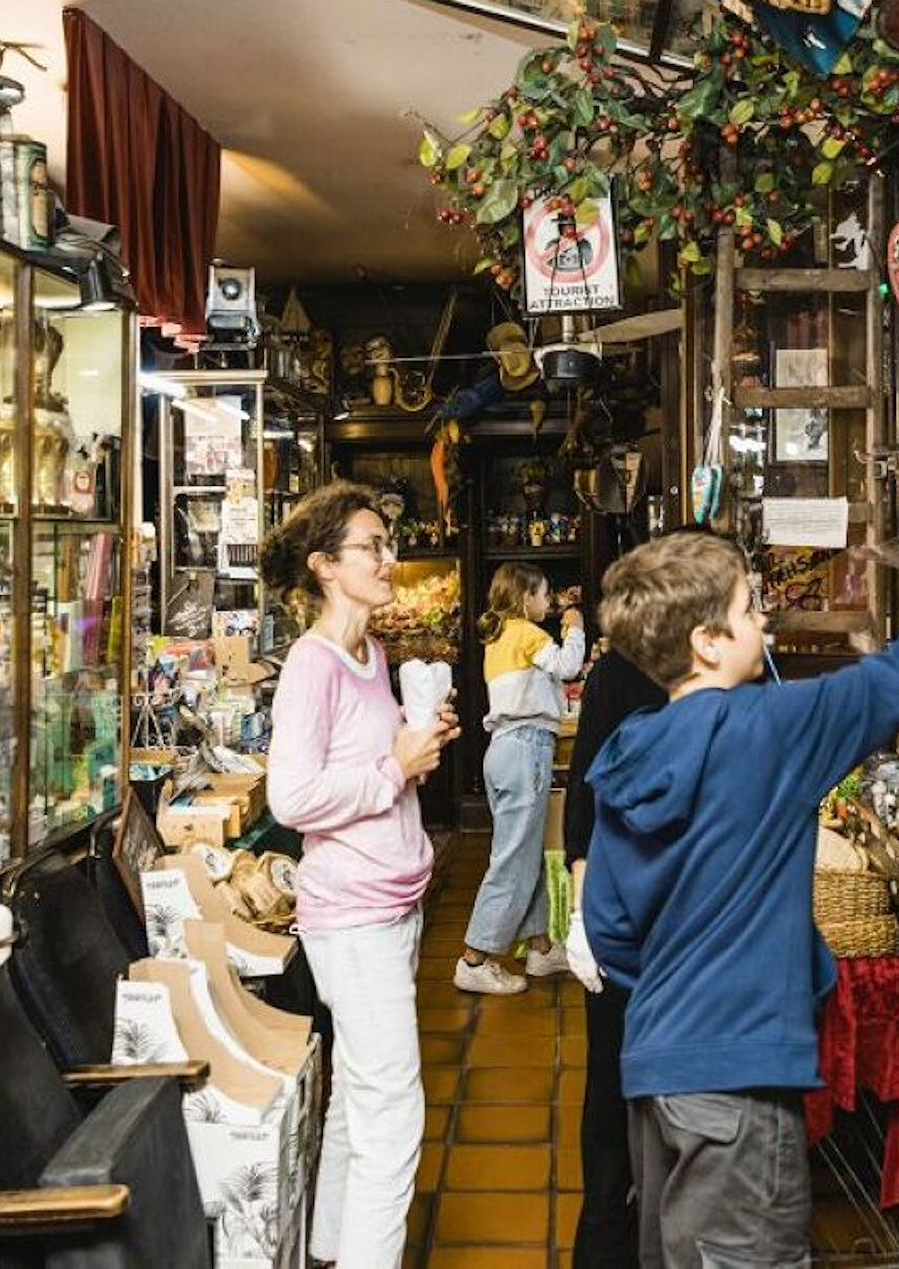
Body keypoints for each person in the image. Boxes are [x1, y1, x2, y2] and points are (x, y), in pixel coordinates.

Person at [584, 506, 899, 1267]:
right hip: (741, 1075)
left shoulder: (629, 750)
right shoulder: (769, 730)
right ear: (707, 642)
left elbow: (609, 930)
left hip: (657, 1068)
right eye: (749, 610)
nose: (762, 623)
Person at [262, 481, 459, 1269]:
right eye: (371, 547)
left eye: (388, 543)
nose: (389, 558)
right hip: (353, 916)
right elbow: (294, 796)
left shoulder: (370, 654)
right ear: (324, 567)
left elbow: (374, 765)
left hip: (392, 902)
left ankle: (331, 1250)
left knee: (355, 1095)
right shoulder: (312, 665)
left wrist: (416, 744)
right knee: (392, 1117)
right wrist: (392, 766)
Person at [565, 642, 668, 1268]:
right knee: (613, 1090)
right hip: (625, 919)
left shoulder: (745, 681)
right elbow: (585, 799)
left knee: (632, 1096)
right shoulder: (623, 671)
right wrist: (580, 913)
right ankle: (607, 1235)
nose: (759, 617)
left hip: (663, 926)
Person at [456, 562, 587, 994]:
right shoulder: (530, 634)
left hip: (504, 752)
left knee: (524, 853)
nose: (549, 603)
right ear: (525, 596)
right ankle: (473, 958)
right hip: (527, 748)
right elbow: (568, 667)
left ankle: (542, 948)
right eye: (545, 595)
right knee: (513, 858)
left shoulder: (498, 637)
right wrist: (575, 627)